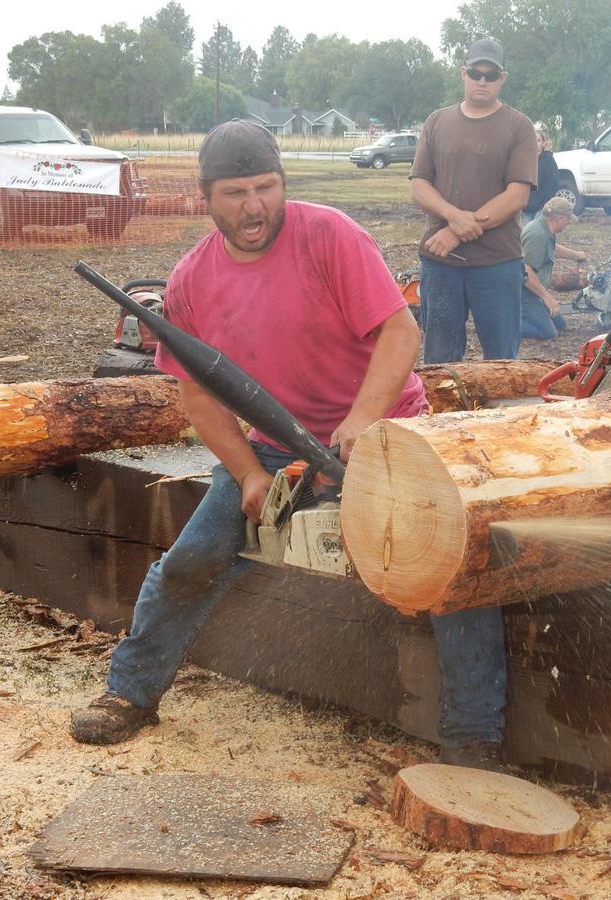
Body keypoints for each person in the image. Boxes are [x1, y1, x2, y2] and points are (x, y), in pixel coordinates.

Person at [71, 120, 511, 772]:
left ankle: (474, 742)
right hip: (278, 445)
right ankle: (130, 693)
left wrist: (363, 420)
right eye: (235, 193)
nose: (254, 207)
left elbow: (400, 333)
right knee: (192, 559)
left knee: (450, 562)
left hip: (388, 434)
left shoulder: (328, 235)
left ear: (283, 184)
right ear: (205, 198)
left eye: (266, 187)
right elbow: (199, 397)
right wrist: (248, 475)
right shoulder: (192, 279)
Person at [409, 37, 538, 364]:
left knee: (502, 362)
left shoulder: (519, 126)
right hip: (440, 264)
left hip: (497, 263)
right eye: (476, 73)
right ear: (463, 73)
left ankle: (501, 416)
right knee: (439, 361)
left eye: (490, 75)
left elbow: (517, 195)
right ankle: (442, 415)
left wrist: (457, 231)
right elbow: (420, 184)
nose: (482, 80)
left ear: (502, 78)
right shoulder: (436, 122)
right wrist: (453, 216)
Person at [521, 196, 585, 340]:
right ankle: (504, 324)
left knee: (559, 324)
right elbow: (526, 272)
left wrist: (576, 255)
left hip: (532, 291)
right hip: (523, 292)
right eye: (568, 220)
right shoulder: (537, 235)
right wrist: (547, 297)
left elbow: (551, 248)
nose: (568, 223)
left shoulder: (544, 229)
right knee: (548, 333)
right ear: (560, 218)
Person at [521, 127, 560, 223]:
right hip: (527, 206)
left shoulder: (548, 160)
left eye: (538, 140)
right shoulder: (525, 159)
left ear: (543, 143)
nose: (535, 143)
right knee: (527, 233)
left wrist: (546, 201)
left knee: (538, 231)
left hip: (542, 205)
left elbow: (553, 181)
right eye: (533, 140)